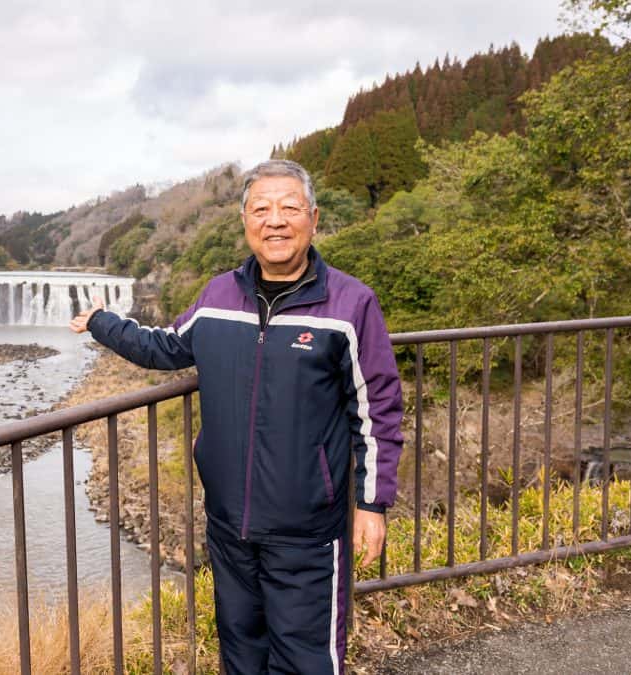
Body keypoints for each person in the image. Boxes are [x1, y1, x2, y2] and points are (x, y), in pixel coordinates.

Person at [70, 159, 403, 674]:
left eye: (290, 208)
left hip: (308, 531)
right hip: (229, 526)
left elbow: (376, 406)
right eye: (262, 208)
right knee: (241, 654)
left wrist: (371, 503)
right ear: (245, 220)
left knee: (307, 659)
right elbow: (164, 347)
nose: (276, 221)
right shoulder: (218, 297)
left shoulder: (350, 305)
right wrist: (101, 323)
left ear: (313, 219)